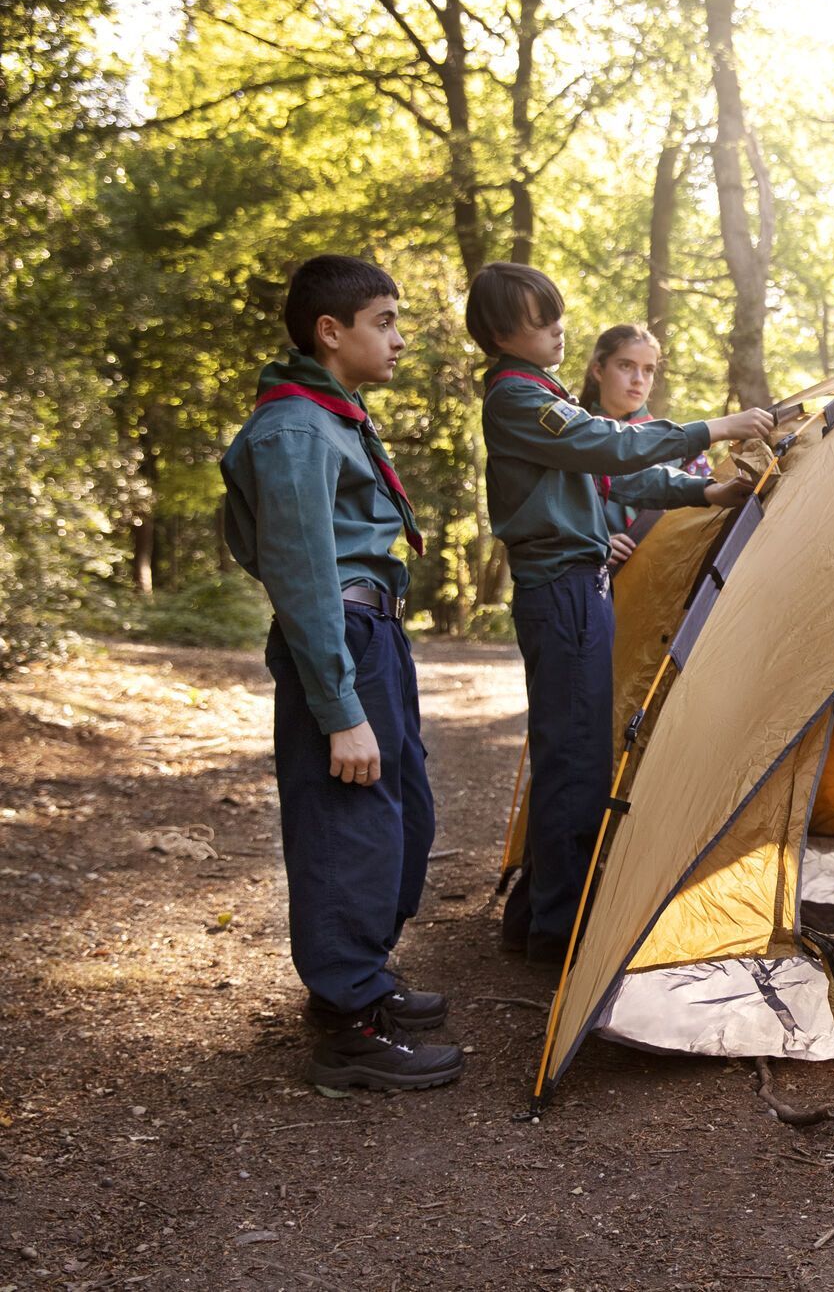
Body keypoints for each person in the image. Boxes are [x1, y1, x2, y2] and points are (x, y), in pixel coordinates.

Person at [467, 265, 772, 967]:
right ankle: (560, 928)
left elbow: (621, 475)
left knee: (579, 750)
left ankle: (546, 913)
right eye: (540, 320)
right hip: (564, 590)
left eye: (556, 316)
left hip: (583, 589)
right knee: (574, 757)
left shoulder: (542, 397)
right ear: (501, 334)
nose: (556, 329)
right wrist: (712, 425)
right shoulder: (519, 398)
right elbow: (609, 447)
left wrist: (710, 492)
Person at [219, 254, 462, 1091]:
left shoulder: (336, 416)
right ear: (332, 331)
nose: (398, 339)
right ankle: (347, 1025)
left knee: (402, 817)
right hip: (338, 636)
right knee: (347, 826)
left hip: (372, 630)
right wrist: (339, 706)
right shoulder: (294, 428)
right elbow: (300, 574)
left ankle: (361, 975)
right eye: (384, 321)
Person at [578, 323, 750, 558]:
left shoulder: (678, 444)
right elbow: (549, 514)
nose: (638, 379)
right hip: (594, 580)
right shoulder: (573, 440)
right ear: (599, 370)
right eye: (626, 365)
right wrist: (593, 543)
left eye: (648, 370)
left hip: (669, 574)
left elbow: (707, 521)